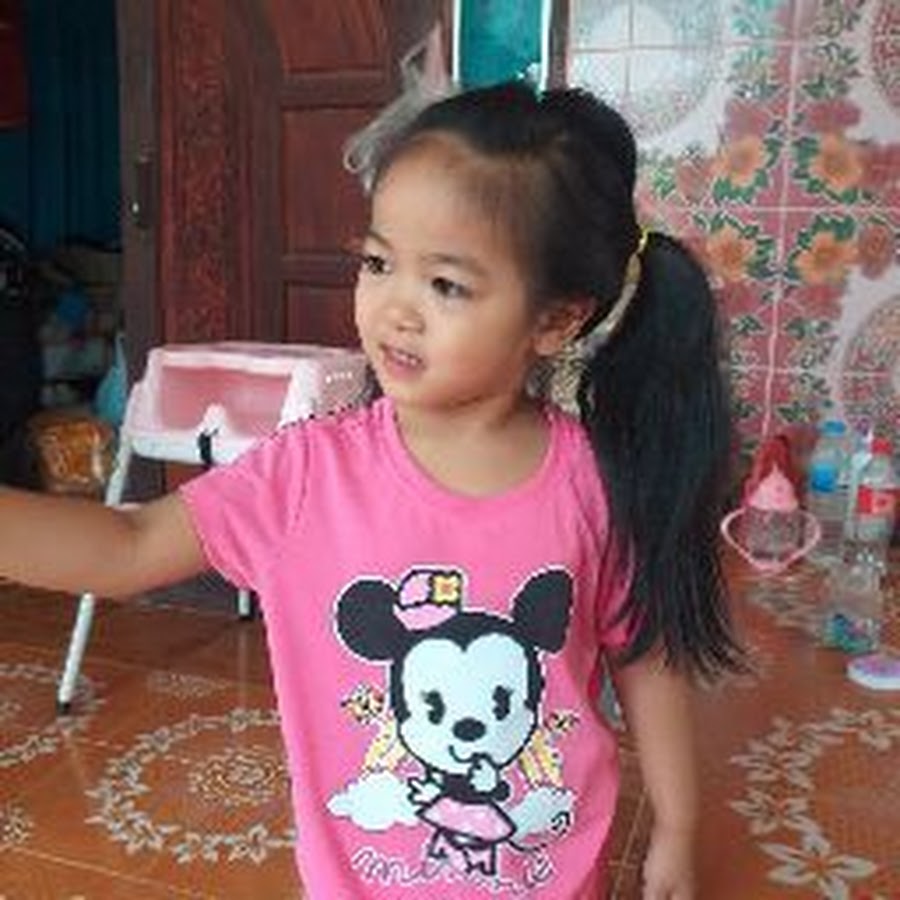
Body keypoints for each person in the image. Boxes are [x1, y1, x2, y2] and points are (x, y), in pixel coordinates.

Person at [0, 81, 741, 899]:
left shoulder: (594, 482)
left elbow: (645, 656)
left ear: (555, 320)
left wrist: (677, 825)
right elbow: (129, 546)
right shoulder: (304, 476)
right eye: (379, 263)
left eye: (446, 285)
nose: (395, 309)